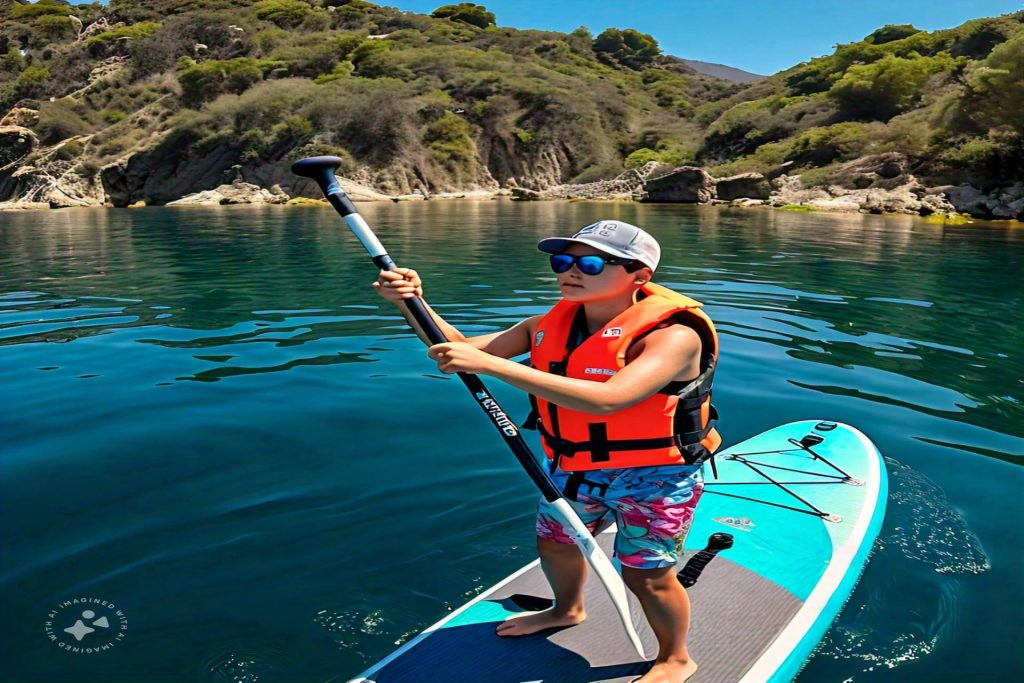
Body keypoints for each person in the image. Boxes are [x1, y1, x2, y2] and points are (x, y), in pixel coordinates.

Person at [372, 219, 721, 683]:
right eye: (564, 261)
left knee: (646, 574)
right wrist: (412, 303)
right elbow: (454, 350)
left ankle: (676, 658)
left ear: (639, 275)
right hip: (572, 465)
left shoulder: (675, 335)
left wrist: (490, 365)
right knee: (556, 544)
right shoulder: (546, 325)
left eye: (591, 263)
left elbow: (609, 398)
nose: (571, 271)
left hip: (653, 475)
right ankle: (566, 609)